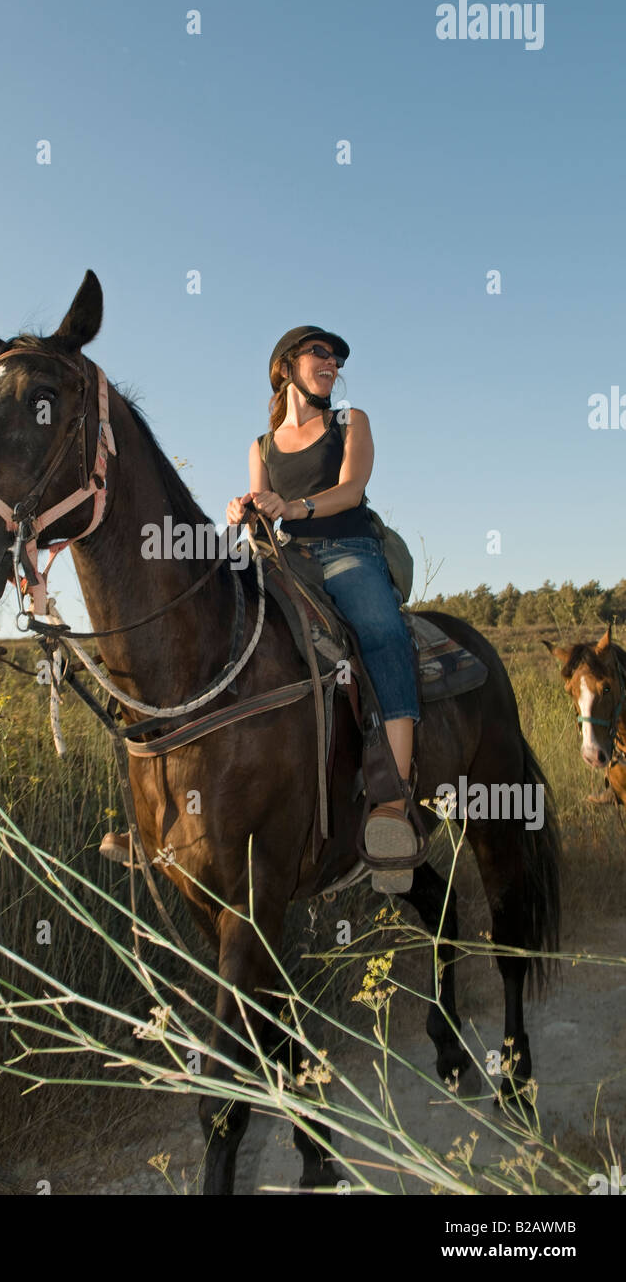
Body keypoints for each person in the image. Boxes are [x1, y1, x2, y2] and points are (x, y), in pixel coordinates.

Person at [224, 326, 421, 893]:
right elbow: (268, 512)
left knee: (382, 633)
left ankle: (392, 802)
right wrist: (249, 508)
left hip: (348, 551)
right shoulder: (260, 447)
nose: (331, 362)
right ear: (286, 367)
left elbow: (351, 490)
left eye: (336, 357)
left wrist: (293, 505)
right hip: (289, 556)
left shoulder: (349, 423)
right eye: (320, 353)